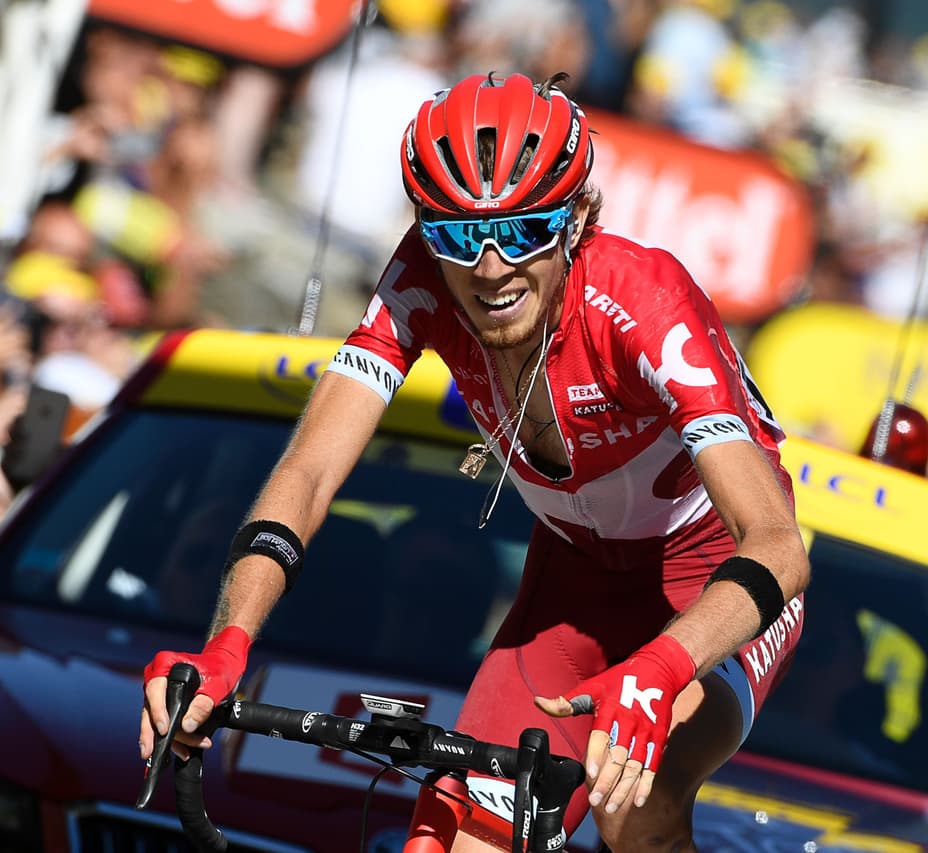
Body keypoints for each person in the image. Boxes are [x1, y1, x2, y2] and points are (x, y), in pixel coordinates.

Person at [141, 71, 811, 852]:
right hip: (576, 589)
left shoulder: (646, 305)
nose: (490, 269)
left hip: (711, 583)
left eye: (525, 229)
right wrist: (229, 642)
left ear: (579, 217)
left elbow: (777, 544)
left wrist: (664, 665)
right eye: (457, 235)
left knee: (639, 803)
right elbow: (309, 472)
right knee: (449, 837)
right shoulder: (420, 282)